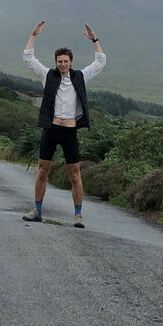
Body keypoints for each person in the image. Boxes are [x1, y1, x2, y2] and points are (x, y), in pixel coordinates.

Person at [21, 20, 106, 228]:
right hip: (51, 129)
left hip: (69, 131)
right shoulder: (47, 76)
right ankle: (37, 210)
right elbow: (28, 58)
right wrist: (33, 35)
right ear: (56, 62)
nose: (62, 64)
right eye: (59, 61)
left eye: (66, 61)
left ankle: (78, 216)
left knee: (74, 174)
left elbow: (101, 61)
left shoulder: (80, 77)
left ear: (71, 62)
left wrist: (94, 40)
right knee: (42, 170)